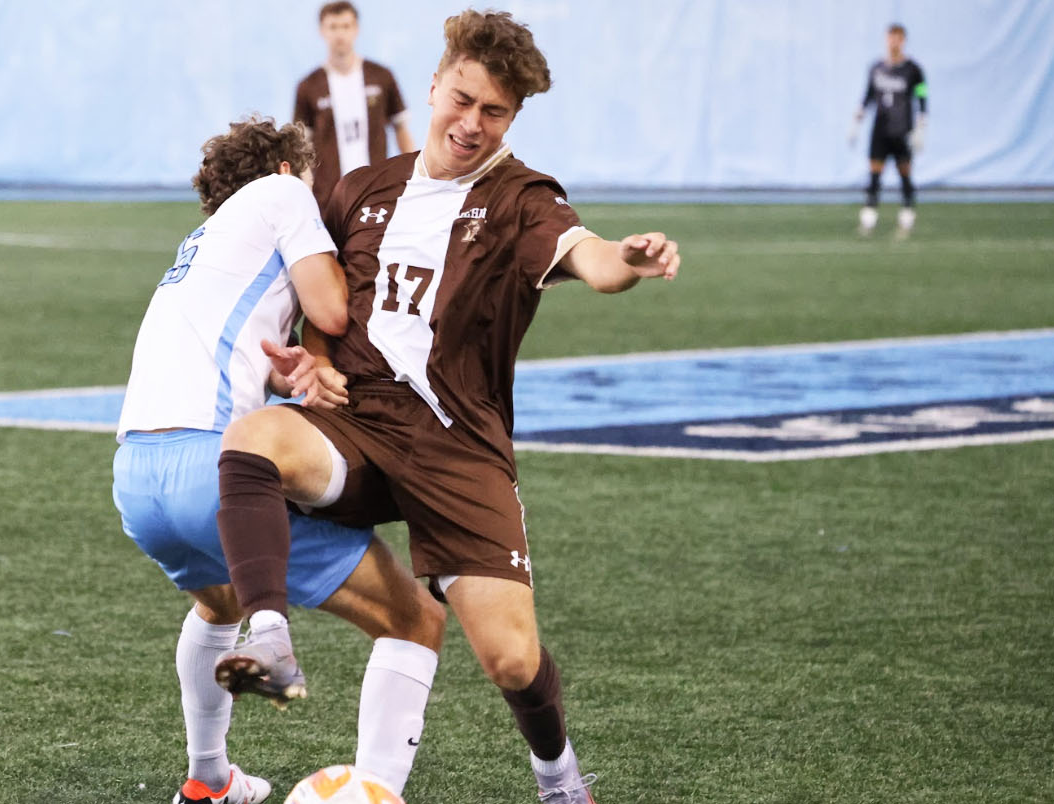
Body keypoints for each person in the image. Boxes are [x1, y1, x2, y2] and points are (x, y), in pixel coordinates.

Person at [212, 11, 681, 804]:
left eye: (494, 111)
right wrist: (314, 364)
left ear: (513, 118)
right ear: (433, 87)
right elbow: (326, 311)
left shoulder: (522, 198)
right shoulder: (361, 191)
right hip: (356, 427)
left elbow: (593, 260)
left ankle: (560, 780)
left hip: (457, 448)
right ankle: (270, 638)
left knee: (511, 660)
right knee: (252, 440)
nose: (471, 123)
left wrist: (629, 260)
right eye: (462, 100)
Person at [112, 115, 444, 803]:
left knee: (220, 604)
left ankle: (209, 782)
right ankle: (373, 789)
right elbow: (331, 310)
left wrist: (287, 373)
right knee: (415, 619)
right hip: (210, 468)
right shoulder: (282, 193)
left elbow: (231, 352)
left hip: (137, 479)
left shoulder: (205, 241)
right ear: (288, 170)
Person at [293, 2, 414, 209]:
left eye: (346, 26)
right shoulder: (309, 86)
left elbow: (401, 130)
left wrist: (413, 179)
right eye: (333, 27)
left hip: (376, 193)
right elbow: (301, 146)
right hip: (329, 199)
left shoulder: (381, 76)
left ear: (356, 29)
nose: (340, 34)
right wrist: (304, 193)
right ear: (322, 31)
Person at [851, 23, 926, 238]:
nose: (894, 42)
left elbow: (922, 95)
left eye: (898, 38)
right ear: (886, 39)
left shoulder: (913, 70)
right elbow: (868, 95)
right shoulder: (876, 68)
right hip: (880, 129)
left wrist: (922, 124)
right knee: (875, 174)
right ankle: (869, 218)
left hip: (902, 129)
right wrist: (857, 118)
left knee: (905, 173)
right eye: (891, 38)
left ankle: (907, 215)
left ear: (903, 40)